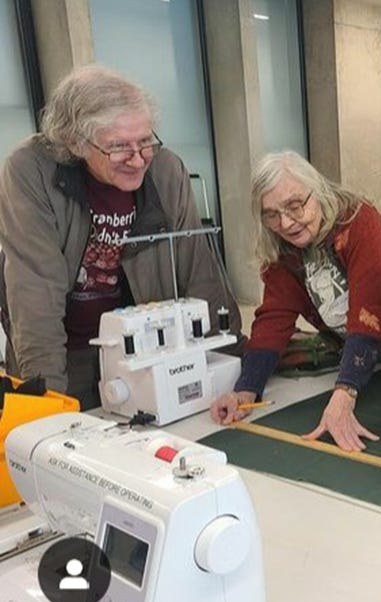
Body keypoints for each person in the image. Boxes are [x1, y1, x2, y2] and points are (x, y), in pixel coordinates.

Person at [0, 65, 241, 410]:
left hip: (147, 352)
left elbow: (197, 267)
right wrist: (46, 402)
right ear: (75, 142)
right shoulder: (31, 171)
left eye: (145, 141)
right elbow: (34, 291)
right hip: (68, 356)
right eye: (119, 147)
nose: (138, 158)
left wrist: (231, 363)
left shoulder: (165, 169)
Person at [210, 151, 381, 452]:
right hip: (367, 364)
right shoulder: (283, 249)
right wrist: (246, 390)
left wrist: (344, 392)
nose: (285, 222)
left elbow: (370, 312)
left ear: (316, 191)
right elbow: (273, 320)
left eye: (294, 207)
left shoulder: (359, 221)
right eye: (271, 214)